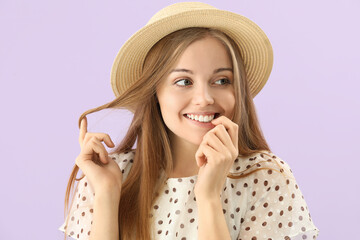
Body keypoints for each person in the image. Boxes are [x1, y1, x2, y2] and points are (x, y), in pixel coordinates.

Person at [59, 2, 320, 240]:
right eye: (184, 82)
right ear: (154, 92)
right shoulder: (110, 175)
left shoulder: (266, 176)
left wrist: (208, 198)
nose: (204, 98)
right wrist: (107, 194)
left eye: (222, 81)